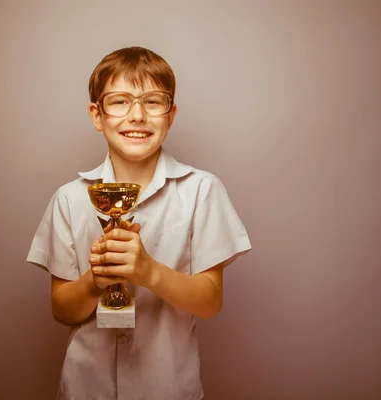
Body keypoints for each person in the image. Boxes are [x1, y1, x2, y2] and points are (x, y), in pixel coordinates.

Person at [26, 46, 252, 400]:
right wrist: (94, 281)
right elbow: (62, 309)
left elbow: (210, 302)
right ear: (96, 115)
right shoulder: (69, 199)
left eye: (152, 102)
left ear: (171, 114)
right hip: (86, 389)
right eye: (119, 102)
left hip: (169, 389)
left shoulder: (202, 190)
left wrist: (149, 272)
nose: (137, 115)